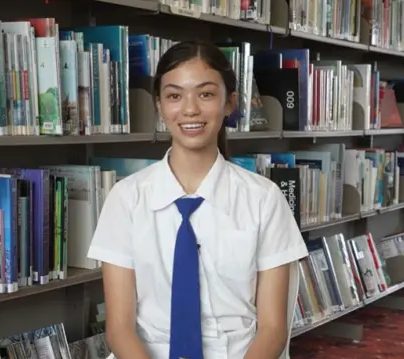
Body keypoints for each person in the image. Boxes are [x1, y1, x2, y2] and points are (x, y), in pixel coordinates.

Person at [87, 40, 309, 359]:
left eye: (205, 94)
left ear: (229, 102)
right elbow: (120, 328)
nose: (190, 109)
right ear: (159, 106)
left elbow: (273, 329)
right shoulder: (126, 198)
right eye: (175, 95)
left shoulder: (264, 199)